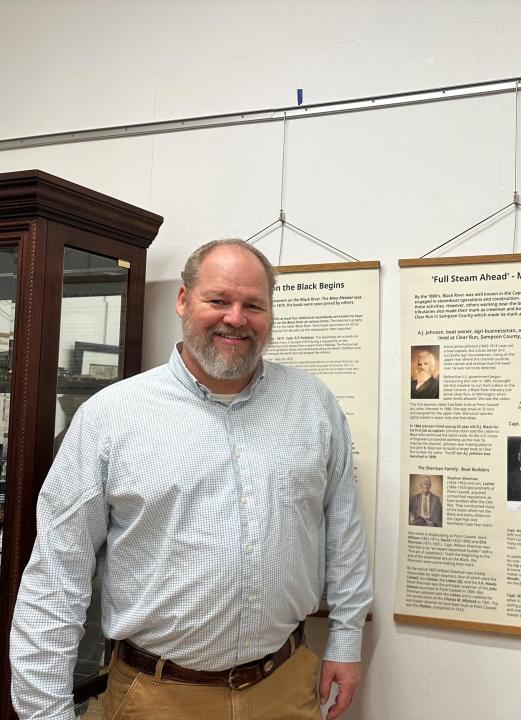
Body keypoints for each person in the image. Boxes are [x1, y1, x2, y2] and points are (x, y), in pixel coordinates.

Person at [10, 239, 372, 720]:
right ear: (184, 300)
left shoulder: (313, 405)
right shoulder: (110, 417)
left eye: (253, 305)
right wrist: (45, 713)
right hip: (157, 697)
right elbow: (57, 576)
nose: (236, 318)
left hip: (286, 688)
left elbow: (342, 527)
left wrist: (346, 640)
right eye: (218, 300)